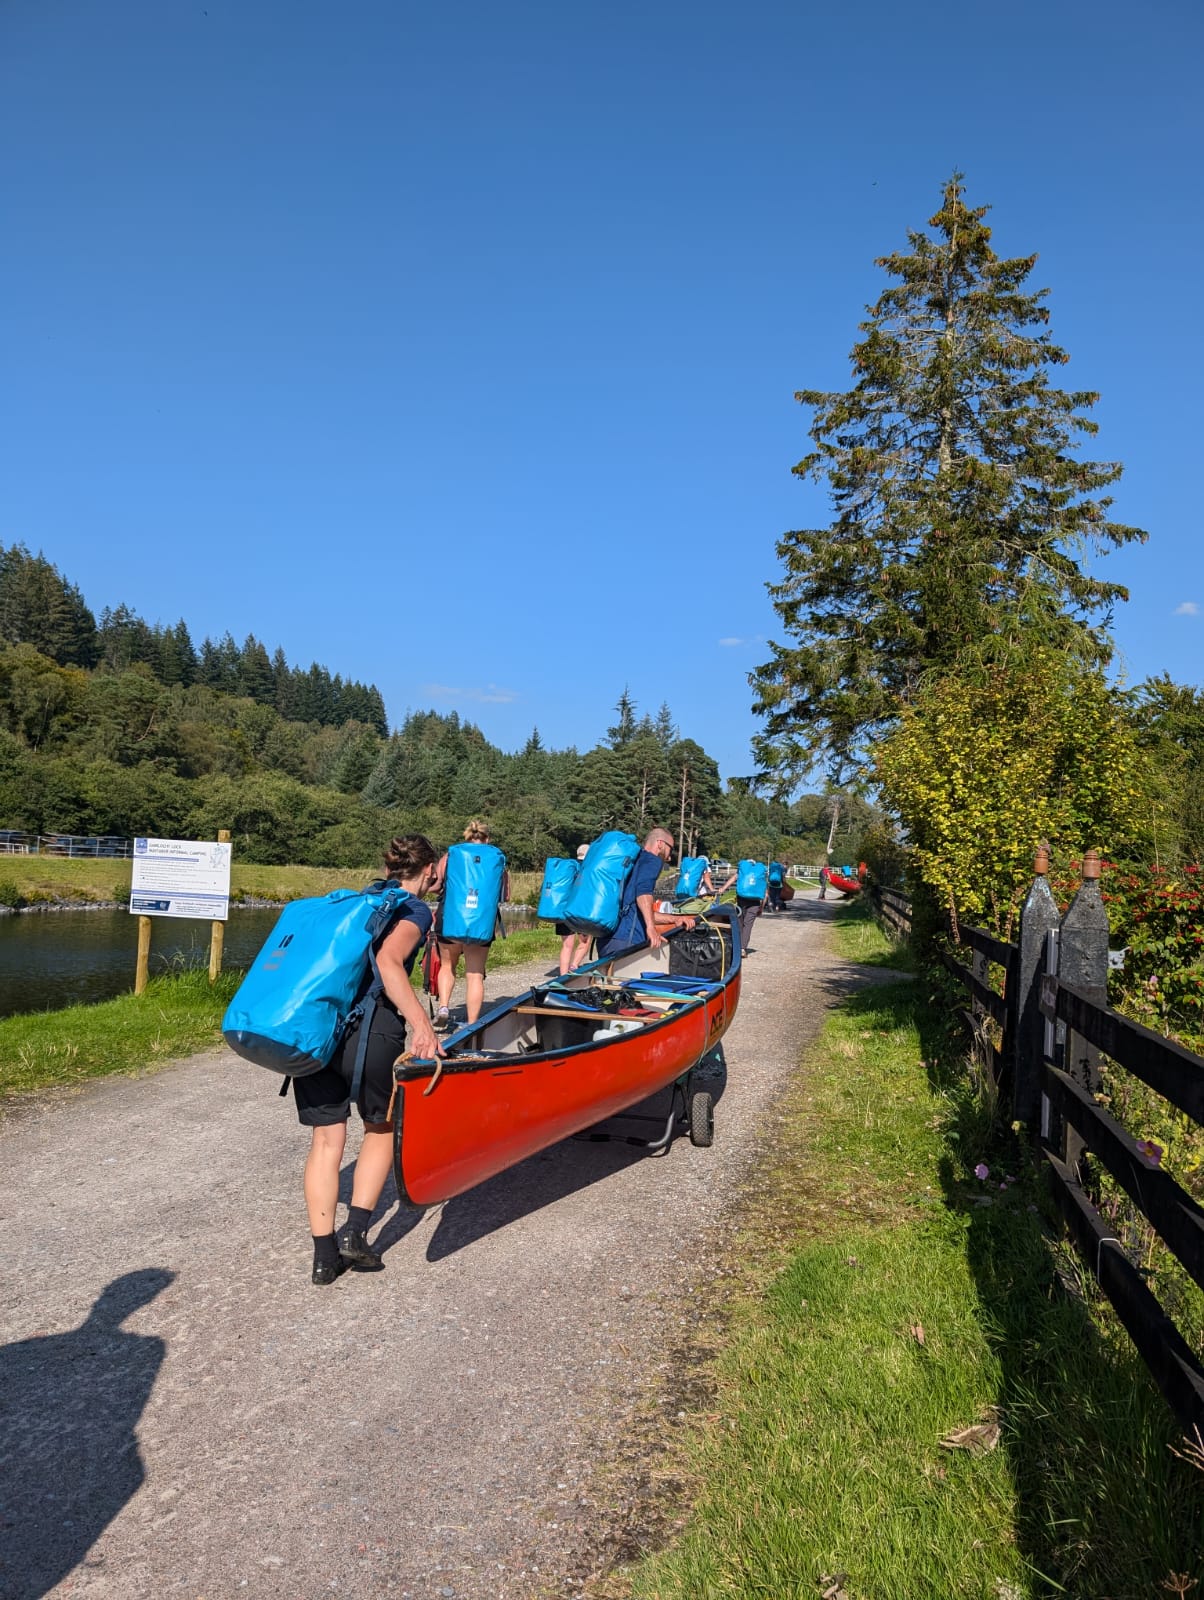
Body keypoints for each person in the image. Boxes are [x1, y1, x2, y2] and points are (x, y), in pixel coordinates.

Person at [293, 834, 442, 1286]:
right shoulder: (413, 909)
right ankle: (355, 1236)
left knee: (325, 1141)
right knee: (380, 1127)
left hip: (321, 1031)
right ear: (430, 870)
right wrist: (421, 1024)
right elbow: (390, 960)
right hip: (373, 1032)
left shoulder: (362, 899)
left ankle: (323, 1256)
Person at [433, 819, 510, 1031]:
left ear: (467, 836)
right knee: (475, 974)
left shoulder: (451, 855)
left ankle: (444, 1007)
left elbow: (435, 885)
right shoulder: (496, 858)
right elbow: (505, 896)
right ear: (488, 839)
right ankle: (473, 1024)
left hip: (450, 917)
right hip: (481, 922)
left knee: (448, 965)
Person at [595, 826, 694, 960]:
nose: (669, 857)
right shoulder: (652, 860)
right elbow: (643, 894)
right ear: (660, 844)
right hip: (627, 939)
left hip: (607, 940)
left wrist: (674, 919)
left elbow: (638, 910)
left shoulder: (632, 862)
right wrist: (651, 928)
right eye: (670, 848)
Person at [717, 858, 768, 955]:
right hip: (755, 901)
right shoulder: (760, 873)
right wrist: (761, 907)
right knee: (748, 924)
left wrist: (723, 888)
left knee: (740, 922)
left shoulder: (743, 870)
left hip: (741, 899)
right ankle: (742, 949)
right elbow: (766, 893)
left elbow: (733, 878)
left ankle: (737, 945)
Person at [557, 843, 593, 974]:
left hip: (563, 911)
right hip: (580, 912)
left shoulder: (568, 868)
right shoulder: (588, 869)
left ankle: (562, 976)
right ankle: (574, 966)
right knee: (585, 941)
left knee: (567, 946)